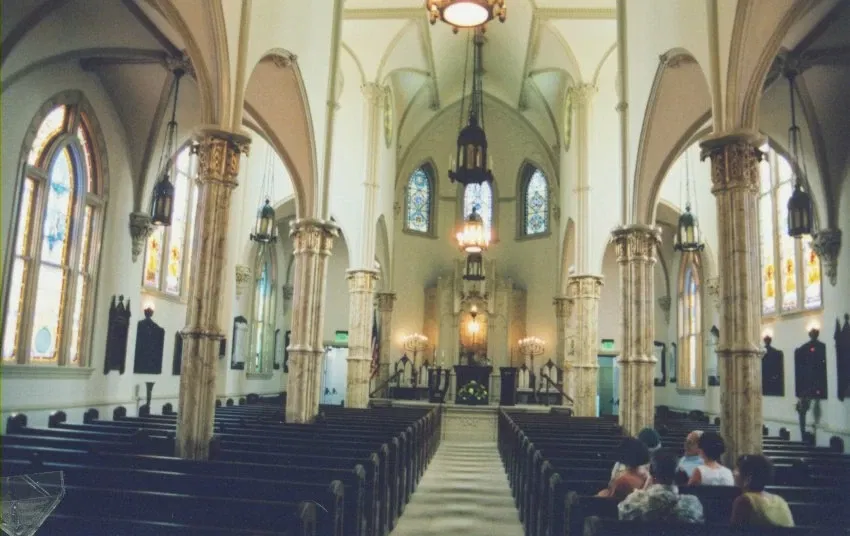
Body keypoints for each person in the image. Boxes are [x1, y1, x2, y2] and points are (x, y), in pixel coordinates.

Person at [619, 449, 705, 523]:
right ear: (678, 473)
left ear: (651, 471)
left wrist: (644, 489)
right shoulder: (692, 505)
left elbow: (622, 519)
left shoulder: (633, 502)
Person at [730, 454, 795, 527]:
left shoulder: (744, 501)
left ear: (748, 478)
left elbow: (736, 531)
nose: (734, 473)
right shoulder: (780, 500)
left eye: (737, 470)